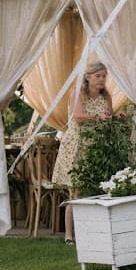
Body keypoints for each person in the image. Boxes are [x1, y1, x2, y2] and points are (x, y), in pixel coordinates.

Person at [50, 61, 115, 237]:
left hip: (96, 147)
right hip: (77, 145)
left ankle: (93, 231)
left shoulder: (106, 96)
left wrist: (115, 117)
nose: (102, 80)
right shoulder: (78, 93)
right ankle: (69, 234)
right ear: (88, 77)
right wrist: (98, 116)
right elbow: (78, 117)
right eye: (98, 76)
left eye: (104, 76)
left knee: (96, 188)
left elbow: (107, 117)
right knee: (76, 189)